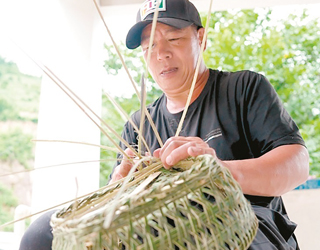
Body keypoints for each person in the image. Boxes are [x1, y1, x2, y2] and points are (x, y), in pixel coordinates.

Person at [19, 0, 309, 249]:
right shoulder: (138, 125)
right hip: (164, 232)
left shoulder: (242, 88)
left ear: (201, 39)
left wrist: (221, 171)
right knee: (42, 234)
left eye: (173, 39)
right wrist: (118, 189)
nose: (161, 54)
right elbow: (121, 201)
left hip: (246, 224)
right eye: (149, 46)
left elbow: (297, 164)